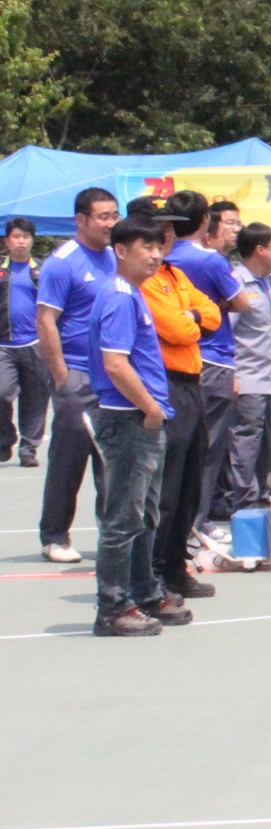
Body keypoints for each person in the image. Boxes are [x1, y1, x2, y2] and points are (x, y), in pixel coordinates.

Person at [86, 213, 176, 636]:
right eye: (147, 247)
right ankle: (113, 606)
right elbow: (116, 364)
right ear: (120, 251)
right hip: (128, 418)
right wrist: (150, 408)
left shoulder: (130, 294)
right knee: (123, 517)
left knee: (144, 514)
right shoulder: (120, 297)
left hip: (139, 417)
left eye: (159, 247)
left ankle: (144, 592)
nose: (156, 255)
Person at [135, 194, 222, 605]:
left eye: (170, 228)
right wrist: (193, 319)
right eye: (159, 229)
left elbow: (213, 314)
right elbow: (177, 329)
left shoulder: (174, 274)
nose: (167, 236)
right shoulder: (146, 282)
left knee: (189, 481)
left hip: (189, 382)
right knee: (166, 486)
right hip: (165, 381)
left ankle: (174, 565)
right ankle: (153, 572)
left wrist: (195, 316)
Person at [35, 187, 120, 564]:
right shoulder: (62, 262)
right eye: (103, 216)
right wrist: (62, 377)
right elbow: (45, 321)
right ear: (81, 220)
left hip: (115, 377)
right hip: (78, 374)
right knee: (69, 458)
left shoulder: (116, 257)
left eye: (114, 215)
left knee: (114, 459)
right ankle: (55, 536)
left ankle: (113, 535)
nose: (110, 223)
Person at [182, 197, 257, 543]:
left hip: (180, 357)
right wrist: (218, 303)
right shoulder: (210, 260)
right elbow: (241, 303)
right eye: (229, 223)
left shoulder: (164, 258)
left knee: (182, 447)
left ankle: (187, 523)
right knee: (208, 449)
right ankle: (195, 523)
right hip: (212, 358)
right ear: (204, 222)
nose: (234, 229)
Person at [222, 223, 271, 525]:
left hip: (266, 376)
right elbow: (227, 333)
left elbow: (267, 331)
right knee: (245, 442)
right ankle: (245, 503)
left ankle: (261, 496)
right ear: (260, 250)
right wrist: (233, 375)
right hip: (247, 377)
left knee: (265, 443)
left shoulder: (270, 283)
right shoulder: (237, 283)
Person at [0, 216, 48, 467]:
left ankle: (29, 449)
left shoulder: (42, 269)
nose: (21, 241)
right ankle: (4, 439)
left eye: (26, 237)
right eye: (16, 236)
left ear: (32, 240)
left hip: (35, 343)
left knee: (36, 398)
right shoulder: (1, 269)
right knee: (1, 392)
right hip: (3, 345)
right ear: (7, 241)